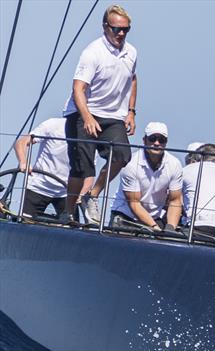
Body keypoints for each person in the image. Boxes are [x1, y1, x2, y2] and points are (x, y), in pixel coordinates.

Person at [62, 4, 137, 224]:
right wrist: (87, 118)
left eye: (126, 29)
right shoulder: (92, 53)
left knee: (122, 156)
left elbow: (133, 78)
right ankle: (68, 212)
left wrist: (131, 111)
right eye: (117, 29)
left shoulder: (131, 52)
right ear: (106, 27)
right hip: (83, 112)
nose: (121, 34)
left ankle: (91, 196)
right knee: (82, 168)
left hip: (113, 116)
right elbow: (78, 89)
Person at [109, 122, 182, 231]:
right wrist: (155, 228)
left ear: (166, 142)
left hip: (154, 218)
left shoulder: (174, 164)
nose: (157, 143)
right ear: (144, 140)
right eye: (152, 138)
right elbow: (134, 203)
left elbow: (175, 200)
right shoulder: (131, 164)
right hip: (126, 216)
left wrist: (170, 229)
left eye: (161, 140)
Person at [13, 117, 70, 218]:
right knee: (24, 224)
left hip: (66, 193)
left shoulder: (91, 135)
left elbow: (89, 173)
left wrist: (81, 193)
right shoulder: (54, 124)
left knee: (73, 228)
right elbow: (21, 142)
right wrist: (23, 162)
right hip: (38, 187)